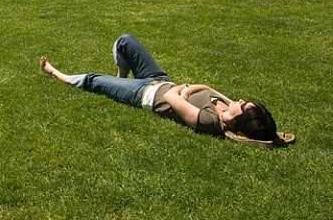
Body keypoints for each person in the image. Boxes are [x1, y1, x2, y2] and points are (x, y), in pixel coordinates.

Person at [40, 34, 292, 145]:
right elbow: (206, 87)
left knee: (95, 80)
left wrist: (182, 92)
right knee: (125, 41)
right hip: (159, 79)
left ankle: (56, 73)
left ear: (238, 121)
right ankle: (120, 78)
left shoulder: (208, 121)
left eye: (243, 106)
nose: (239, 100)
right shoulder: (227, 106)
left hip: (143, 93)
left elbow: (172, 97)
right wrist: (187, 90)